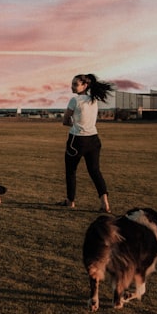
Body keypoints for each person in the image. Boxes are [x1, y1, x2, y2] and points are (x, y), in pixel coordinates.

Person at [60, 73, 115, 212]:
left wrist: (75, 124)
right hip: (94, 140)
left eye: (75, 84)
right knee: (95, 171)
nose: (72, 87)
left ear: (85, 85)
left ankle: (70, 201)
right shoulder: (94, 100)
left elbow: (65, 121)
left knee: (71, 171)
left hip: (77, 140)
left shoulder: (75, 100)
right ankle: (105, 204)